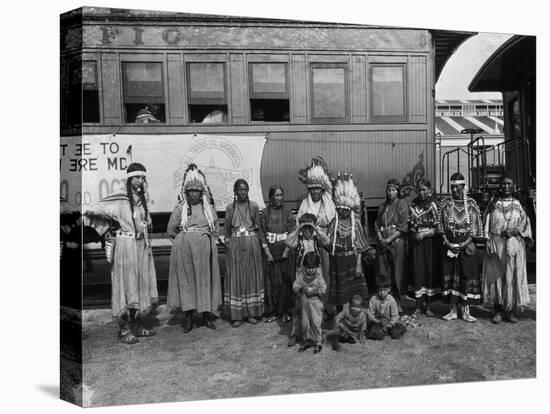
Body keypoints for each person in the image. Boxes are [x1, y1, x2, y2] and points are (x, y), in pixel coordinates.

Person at [84, 163, 158, 344]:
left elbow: (146, 222)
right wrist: (109, 227)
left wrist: (147, 224)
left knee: (139, 284)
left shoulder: (142, 199)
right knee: (125, 285)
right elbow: (96, 209)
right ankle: (124, 329)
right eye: (136, 177)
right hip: (125, 248)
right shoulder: (120, 199)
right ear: (130, 179)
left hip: (141, 247)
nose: (140, 180)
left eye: (142, 177)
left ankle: (138, 326)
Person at [166, 164, 221, 333]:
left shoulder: (208, 209)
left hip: (204, 252)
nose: (194, 194)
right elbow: (171, 229)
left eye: (197, 191)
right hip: (185, 253)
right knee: (187, 283)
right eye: (191, 191)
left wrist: (205, 242)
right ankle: (189, 317)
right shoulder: (180, 209)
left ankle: (205, 315)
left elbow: (216, 229)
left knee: (205, 281)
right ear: (186, 193)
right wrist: (184, 242)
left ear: (202, 192)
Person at [482, 176, 533, 324]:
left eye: (509, 184)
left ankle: (510, 310)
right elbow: (487, 222)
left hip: (513, 245)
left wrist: (515, 231)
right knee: (496, 275)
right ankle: (497, 310)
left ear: (514, 185)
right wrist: (487, 240)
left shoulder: (518, 204)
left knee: (512, 275)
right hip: (496, 243)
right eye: (503, 184)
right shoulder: (494, 203)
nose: (505, 186)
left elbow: (526, 223)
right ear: (500, 186)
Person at [438, 172, 483, 322]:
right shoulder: (445, 205)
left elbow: (476, 229)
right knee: (451, 278)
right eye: (452, 187)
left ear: (464, 187)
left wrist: (463, 244)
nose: (455, 190)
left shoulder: (471, 205)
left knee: (466, 277)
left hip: (466, 247)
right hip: (449, 247)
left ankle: (466, 311)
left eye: (458, 187)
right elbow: (441, 228)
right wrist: (449, 243)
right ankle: (452, 310)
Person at [223, 179, 265, 327]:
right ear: (235, 192)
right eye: (240, 190)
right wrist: (229, 247)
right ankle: (237, 315)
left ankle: (252, 313)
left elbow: (259, 228)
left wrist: (262, 246)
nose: (243, 192)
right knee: (236, 277)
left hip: (252, 243)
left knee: (251, 276)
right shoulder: (230, 208)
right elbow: (227, 230)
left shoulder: (253, 206)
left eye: (245, 189)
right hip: (235, 245)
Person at [285, 213, 330, 346]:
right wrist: (298, 229)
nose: (308, 231)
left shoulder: (316, 239)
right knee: (299, 305)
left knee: (316, 305)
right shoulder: (298, 241)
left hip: (316, 276)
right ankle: (296, 333)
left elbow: (327, 241)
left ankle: (317, 333)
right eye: (305, 229)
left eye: (310, 229)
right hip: (302, 276)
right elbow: (287, 242)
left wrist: (316, 229)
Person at [327, 173, 369, 312]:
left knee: (354, 293)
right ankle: (339, 317)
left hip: (352, 261)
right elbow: (328, 244)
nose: (342, 212)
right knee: (339, 293)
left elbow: (361, 248)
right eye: (340, 209)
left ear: (350, 210)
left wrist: (358, 266)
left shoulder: (355, 224)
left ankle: (356, 316)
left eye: (345, 210)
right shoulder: (334, 223)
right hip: (338, 262)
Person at [296, 157, 336, 306]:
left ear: (322, 189)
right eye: (312, 189)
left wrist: (327, 238)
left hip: (325, 243)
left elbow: (333, 222)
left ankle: (326, 305)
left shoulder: (328, 203)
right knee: (310, 272)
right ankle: (310, 303)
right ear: (309, 190)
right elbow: (300, 223)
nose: (315, 191)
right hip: (310, 244)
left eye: (318, 188)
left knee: (326, 273)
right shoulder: (305, 204)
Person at [260, 185, 295, 323]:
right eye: (276, 195)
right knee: (272, 283)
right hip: (270, 253)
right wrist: (267, 252)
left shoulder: (287, 212)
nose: (279, 198)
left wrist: (287, 251)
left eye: (281, 195)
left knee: (286, 282)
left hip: (285, 253)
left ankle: (287, 311)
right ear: (270, 198)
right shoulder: (264, 213)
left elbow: (293, 232)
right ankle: (274, 311)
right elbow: (261, 233)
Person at [374, 178, 408, 314]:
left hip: (396, 241)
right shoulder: (382, 207)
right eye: (388, 190)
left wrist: (388, 240)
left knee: (397, 272)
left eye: (393, 190)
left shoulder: (402, 204)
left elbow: (403, 226)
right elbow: (376, 225)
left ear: (398, 192)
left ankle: (398, 302)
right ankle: (385, 302)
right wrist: (381, 238)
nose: (390, 193)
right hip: (382, 242)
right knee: (383, 271)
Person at [408, 179, 440, 317]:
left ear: (429, 190)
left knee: (429, 270)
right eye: (419, 190)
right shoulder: (413, 204)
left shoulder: (433, 204)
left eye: (424, 190)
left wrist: (425, 233)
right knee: (417, 270)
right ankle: (418, 305)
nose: (421, 192)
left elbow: (439, 227)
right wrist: (415, 233)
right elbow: (409, 223)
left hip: (430, 244)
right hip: (416, 243)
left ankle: (428, 305)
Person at [292, 252, 326, 354]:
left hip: (316, 304)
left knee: (316, 322)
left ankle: (318, 342)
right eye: (308, 268)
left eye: (313, 268)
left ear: (317, 267)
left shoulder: (319, 276)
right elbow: (295, 286)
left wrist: (315, 291)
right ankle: (306, 341)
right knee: (305, 323)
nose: (310, 270)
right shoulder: (301, 276)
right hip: (304, 304)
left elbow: (323, 289)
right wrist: (300, 288)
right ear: (304, 267)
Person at [366, 274, 406, 340]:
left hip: (389, 322)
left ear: (389, 289)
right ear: (376, 289)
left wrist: (390, 324)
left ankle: (388, 331)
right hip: (378, 322)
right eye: (380, 290)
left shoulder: (391, 300)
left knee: (396, 332)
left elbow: (395, 315)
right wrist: (377, 321)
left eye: (384, 290)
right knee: (375, 333)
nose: (382, 293)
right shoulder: (373, 299)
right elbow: (370, 314)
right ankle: (382, 332)